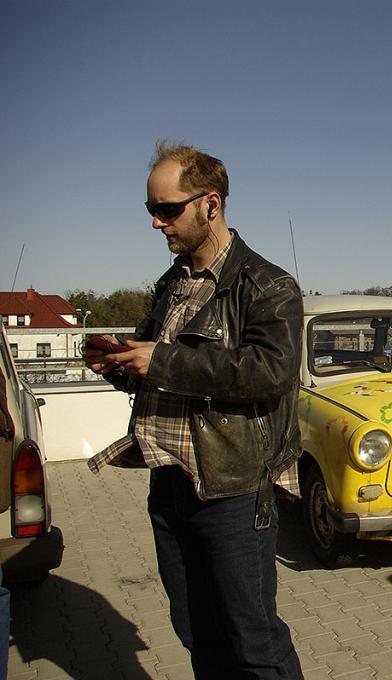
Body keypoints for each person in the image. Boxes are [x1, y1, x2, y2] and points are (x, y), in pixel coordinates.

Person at [85, 141, 304, 679]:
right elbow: (159, 372)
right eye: (150, 209)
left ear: (211, 203)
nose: (156, 223)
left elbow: (270, 372)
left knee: (253, 641)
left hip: (231, 491)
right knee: (196, 631)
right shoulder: (172, 283)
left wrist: (161, 360)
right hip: (170, 484)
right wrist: (119, 364)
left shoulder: (267, 285)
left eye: (167, 209)